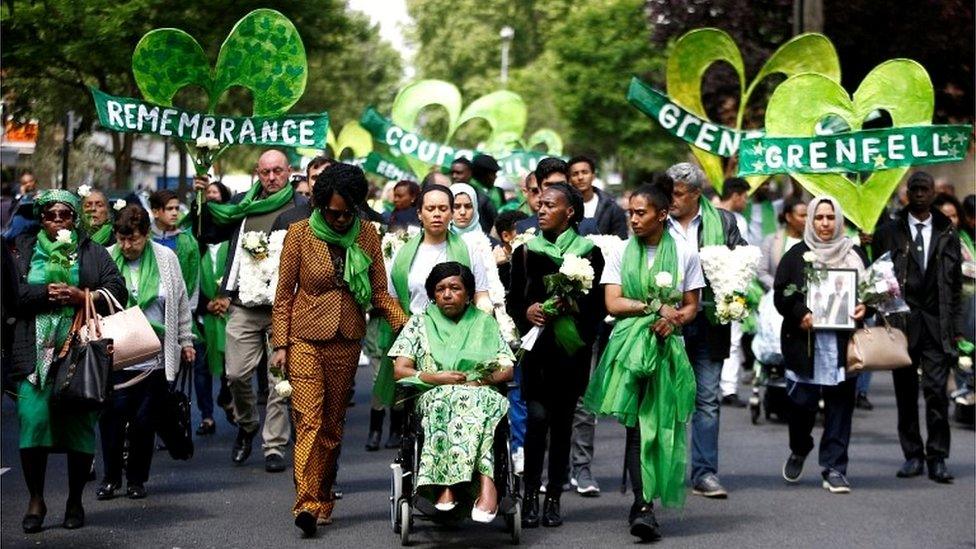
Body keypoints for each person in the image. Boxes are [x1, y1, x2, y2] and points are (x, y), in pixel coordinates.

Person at [271, 163, 408, 535]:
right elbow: (283, 295)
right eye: (334, 212)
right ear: (319, 205)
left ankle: (324, 494)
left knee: (332, 427)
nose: (342, 219)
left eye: (349, 212)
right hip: (304, 338)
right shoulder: (298, 234)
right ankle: (306, 505)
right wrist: (280, 343)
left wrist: (409, 326)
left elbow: (379, 292)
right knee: (309, 421)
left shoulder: (366, 234)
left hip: (346, 339)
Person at [584, 182, 704, 541]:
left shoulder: (685, 253)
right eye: (629, 213)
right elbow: (613, 303)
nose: (633, 219)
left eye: (641, 213)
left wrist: (675, 319)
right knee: (638, 428)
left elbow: (692, 305)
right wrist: (651, 308)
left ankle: (646, 501)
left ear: (662, 214)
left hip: (669, 351)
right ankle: (643, 505)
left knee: (662, 425)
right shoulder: (620, 252)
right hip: (630, 351)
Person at [10, 190, 126, 533]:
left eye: (65, 215)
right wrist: (44, 293)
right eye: (51, 215)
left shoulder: (92, 251)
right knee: (33, 420)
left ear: (74, 219)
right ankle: (36, 499)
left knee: (78, 426)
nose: (58, 221)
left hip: (79, 352)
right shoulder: (23, 248)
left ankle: (75, 500)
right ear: (41, 218)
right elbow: (10, 294)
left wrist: (82, 296)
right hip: (34, 355)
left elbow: (118, 291)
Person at [193, 149, 308, 473]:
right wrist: (200, 197)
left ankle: (274, 446)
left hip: (284, 308)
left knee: (278, 382)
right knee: (236, 375)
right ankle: (247, 425)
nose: (272, 178)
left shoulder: (301, 209)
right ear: (258, 173)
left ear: (289, 172)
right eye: (265, 172)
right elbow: (207, 230)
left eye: (278, 171)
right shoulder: (244, 204)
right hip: (243, 305)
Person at [507, 182, 605, 528]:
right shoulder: (524, 252)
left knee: (563, 425)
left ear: (570, 212)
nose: (542, 209)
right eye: (540, 204)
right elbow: (513, 300)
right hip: (537, 353)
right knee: (535, 421)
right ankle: (530, 493)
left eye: (551, 205)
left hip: (570, 353)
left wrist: (572, 314)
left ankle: (554, 498)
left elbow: (596, 309)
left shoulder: (590, 253)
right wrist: (529, 310)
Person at [368, 184, 492, 451]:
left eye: (443, 209)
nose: (437, 214)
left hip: (461, 335)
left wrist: (485, 322)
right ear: (420, 213)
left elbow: (481, 294)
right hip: (415, 336)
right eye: (431, 209)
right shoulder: (404, 253)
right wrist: (406, 326)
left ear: (451, 214)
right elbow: (391, 298)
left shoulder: (469, 251)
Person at [390, 261, 515, 522]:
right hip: (435, 392)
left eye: (455, 288)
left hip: (479, 390)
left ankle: (487, 484)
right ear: (433, 294)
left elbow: (507, 367)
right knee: (444, 401)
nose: (447, 294)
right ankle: (445, 485)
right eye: (440, 289)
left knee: (479, 404)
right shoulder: (419, 323)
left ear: (468, 294)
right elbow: (400, 370)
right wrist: (435, 377)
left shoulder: (484, 322)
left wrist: (478, 382)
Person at [97, 205, 195, 501]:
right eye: (122, 239)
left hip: (155, 356)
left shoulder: (166, 258)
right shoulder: (106, 258)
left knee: (144, 421)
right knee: (111, 419)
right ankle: (112, 477)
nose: (127, 246)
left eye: (134, 240)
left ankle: (137, 479)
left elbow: (180, 303)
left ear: (146, 235)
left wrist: (186, 341)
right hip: (116, 355)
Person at [872, 171, 963, 484]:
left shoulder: (947, 231)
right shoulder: (889, 232)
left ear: (935, 194)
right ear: (907, 194)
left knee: (937, 393)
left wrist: (956, 327)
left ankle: (937, 457)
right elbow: (877, 276)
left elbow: (955, 287)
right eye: (916, 189)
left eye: (926, 189)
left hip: (937, 325)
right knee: (905, 393)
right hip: (903, 325)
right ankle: (913, 455)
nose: (921, 194)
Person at [775, 196, 867, 493]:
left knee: (841, 406)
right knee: (801, 404)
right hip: (805, 343)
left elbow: (869, 294)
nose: (825, 224)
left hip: (843, 344)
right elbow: (781, 296)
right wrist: (801, 313)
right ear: (810, 220)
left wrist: (867, 308)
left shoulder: (854, 254)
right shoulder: (796, 255)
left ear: (838, 220)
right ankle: (800, 446)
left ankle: (834, 468)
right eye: (819, 218)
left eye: (830, 217)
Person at [666, 162, 747, 499]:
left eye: (678, 194)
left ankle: (704, 473)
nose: (671, 200)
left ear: (696, 194)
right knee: (666, 398)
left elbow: (742, 263)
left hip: (710, 322)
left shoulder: (725, 222)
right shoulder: (657, 220)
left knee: (708, 399)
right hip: (667, 321)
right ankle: (663, 470)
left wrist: (733, 288)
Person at [194, 180, 233, 435]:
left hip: (229, 314)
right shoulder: (194, 245)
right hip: (201, 316)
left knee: (233, 367)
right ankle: (207, 415)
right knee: (202, 369)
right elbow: (187, 280)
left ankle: (228, 396)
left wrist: (226, 299)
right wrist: (204, 304)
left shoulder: (234, 243)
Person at [149, 190, 200, 310]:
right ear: (156, 212)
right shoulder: (145, 239)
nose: (175, 213)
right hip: (150, 307)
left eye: (177, 208)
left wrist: (190, 308)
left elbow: (194, 277)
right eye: (169, 209)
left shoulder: (187, 241)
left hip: (180, 308)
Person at [568, 155, 628, 239]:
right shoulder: (565, 207)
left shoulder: (611, 207)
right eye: (575, 174)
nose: (580, 177)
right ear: (569, 179)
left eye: (585, 172)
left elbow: (621, 240)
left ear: (593, 176)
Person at [757, 195, 807, 291]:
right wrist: (779, 288)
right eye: (802, 215)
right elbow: (762, 272)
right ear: (788, 217)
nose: (806, 219)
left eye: (807, 215)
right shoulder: (770, 240)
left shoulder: (811, 242)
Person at [450, 156, 496, 233]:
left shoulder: (482, 199)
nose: (454, 176)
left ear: (469, 173)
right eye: (456, 206)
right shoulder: (445, 196)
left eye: (459, 173)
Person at [4, 170, 40, 240]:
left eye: (30, 181)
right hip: (20, 225)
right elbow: (14, 209)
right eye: (25, 183)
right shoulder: (17, 196)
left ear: (35, 182)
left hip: (35, 224)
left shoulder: (39, 195)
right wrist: (22, 193)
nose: (28, 184)